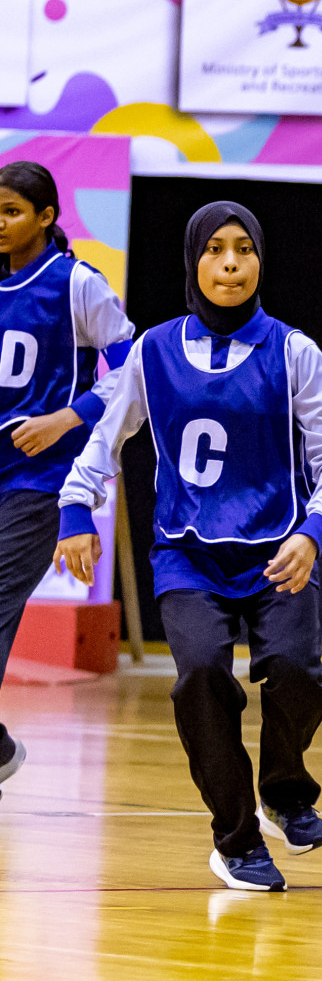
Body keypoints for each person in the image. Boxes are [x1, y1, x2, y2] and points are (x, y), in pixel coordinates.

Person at [53, 201, 322, 890]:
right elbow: (107, 440)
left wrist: (314, 530)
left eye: (243, 249)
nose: (229, 263)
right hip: (186, 554)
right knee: (200, 678)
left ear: (259, 261)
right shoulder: (153, 352)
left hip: (278, 548)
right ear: (194, 261)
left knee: (298, 676)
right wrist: (76, 508)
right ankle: (237, 839)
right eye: (215, 249)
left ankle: (284, 790)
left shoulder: (295, 351)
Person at [0, 160, 135, 791]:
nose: (0, 224)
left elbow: (133, 370)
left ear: (47, 217)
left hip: (42, 477)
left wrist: (65, 418)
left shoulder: (76, 283)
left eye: (11, 212)